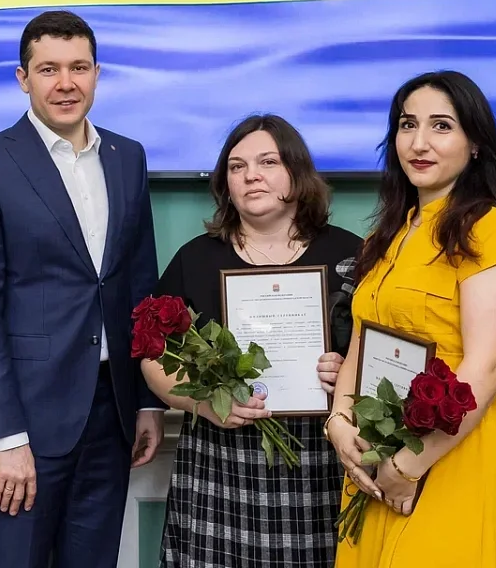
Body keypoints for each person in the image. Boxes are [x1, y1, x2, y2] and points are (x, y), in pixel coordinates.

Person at [0, 10, 165, 568]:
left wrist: (147, 401)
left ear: (97, 74)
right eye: (48, 70)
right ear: (23, 78)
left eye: (79, 68)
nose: (66, 83)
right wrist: (6, 436)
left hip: (112, 410)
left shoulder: (127, 157)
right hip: (27, 415)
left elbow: (139, 283)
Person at [328, 70, 496, 568]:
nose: (419, 143)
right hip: (377, 458)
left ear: (475, 144)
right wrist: (338, 422)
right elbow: (362, 340)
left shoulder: (491, 233)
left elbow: (485, 368)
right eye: (407, 125)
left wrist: (407, 466)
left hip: (446, 457)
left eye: (441, 126)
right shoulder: (389, 234)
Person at [142, 114, 362, 567]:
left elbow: (377, 357)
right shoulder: (196, 258)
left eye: (268, 162)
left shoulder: (352, 255)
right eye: (237, 166)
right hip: (219, 460)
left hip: (320, 459)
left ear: (297, 172)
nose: (251, 175)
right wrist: (204, 403)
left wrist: (347, 377)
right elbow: (152, 355)